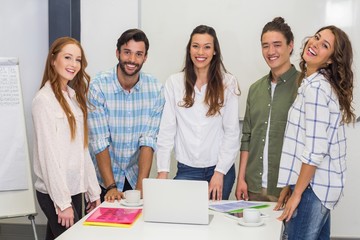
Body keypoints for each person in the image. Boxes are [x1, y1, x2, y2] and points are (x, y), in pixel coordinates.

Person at [275, 25, 355, 239]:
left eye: (324, 45)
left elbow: (314, 150)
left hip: (313, 189)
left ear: (330, 60)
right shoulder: (314, 84)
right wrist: (290, 186)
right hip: (315, 188)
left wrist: (297, 193)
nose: (315, 44)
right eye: (317, 38)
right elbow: (304, 143)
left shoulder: (317, 89)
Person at [156, 25, 240, 200]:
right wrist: (162, 171)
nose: (200, 52)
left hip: (219, 170)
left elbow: (231, 133)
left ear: (215, 51)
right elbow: (167, 130)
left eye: (207, 47)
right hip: (187, 170)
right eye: (195, 46)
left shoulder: (228, 83)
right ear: (189, 49)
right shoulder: (174, 83)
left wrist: (219, 172)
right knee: (183, 221)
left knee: (215, 222)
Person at [32, 37, 101, 239]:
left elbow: (82, 150)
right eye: (68, 57)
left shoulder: (74, 98)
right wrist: (62, 203)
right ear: (53, 60)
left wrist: (93, 191)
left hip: (73, 189)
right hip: (55, 193)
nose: (73, 64)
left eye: (78, 60)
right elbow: (48, 157)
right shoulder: (43, 101)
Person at [87, 29, 165, 202]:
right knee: (102, 228)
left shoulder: (155, 89)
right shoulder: (98, 87)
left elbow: (148, 141)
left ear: (145, 57)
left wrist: (140, 188)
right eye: (127, 52)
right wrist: (111, 187)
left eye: (138, 54)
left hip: (134, 176)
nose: (132, 60)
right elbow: (99, 141)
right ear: (118, 53)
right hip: (102, 179)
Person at [235, 17, 299, 202]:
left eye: (277, 44)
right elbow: (246, 137)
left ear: (290, 45)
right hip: (253, 187)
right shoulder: (255, 89)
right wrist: (241, 179)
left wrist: (295, 188)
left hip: (286, 188)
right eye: (265, 46)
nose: (271, 51)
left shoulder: (304, 86)